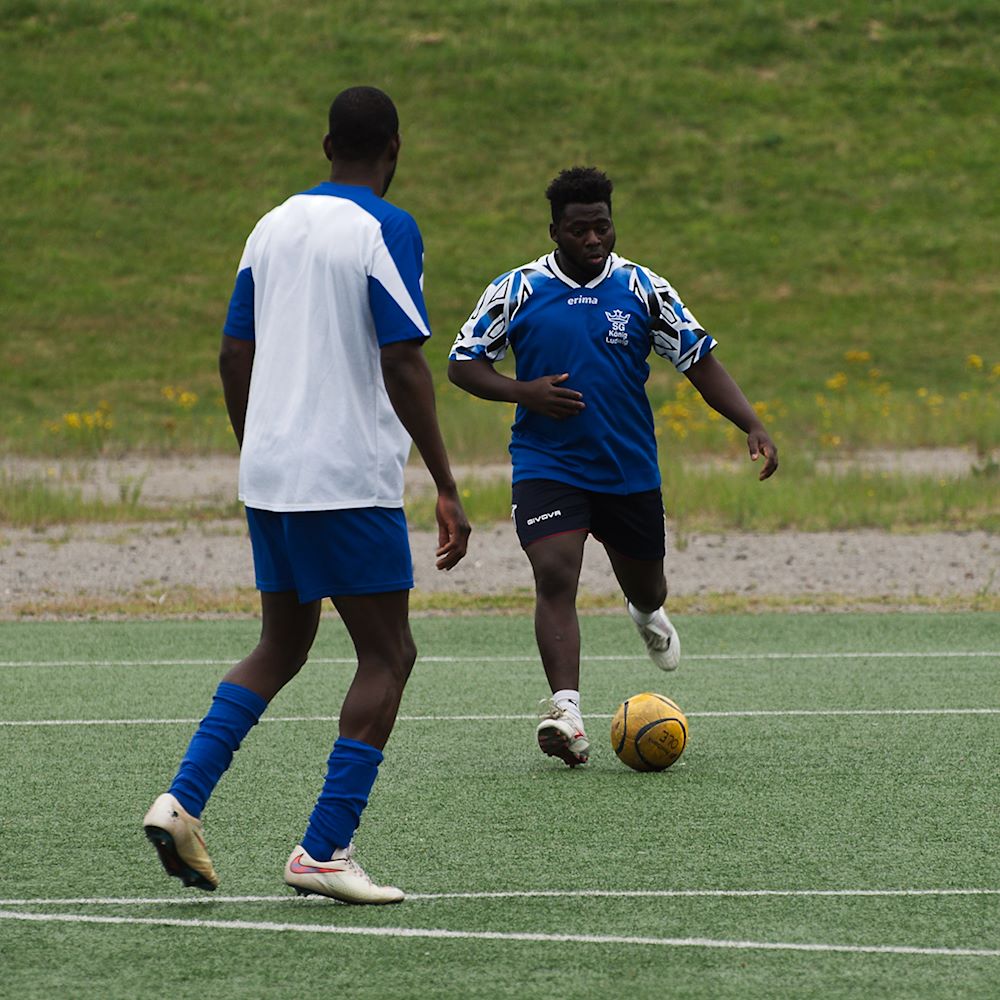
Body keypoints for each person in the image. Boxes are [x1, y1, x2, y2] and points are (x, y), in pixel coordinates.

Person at [143, 86, 470, 904]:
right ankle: (325, 848)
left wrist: (257, 447)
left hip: (272, 475)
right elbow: (402, 358)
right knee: (389, 654)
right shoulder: (387, 227)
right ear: (394, 150)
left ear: (326, 146)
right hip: (346, 478)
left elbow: (233, 352)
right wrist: (445, 482)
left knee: (281, 647)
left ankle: (181, 801)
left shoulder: (271, 225)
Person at [448, 166, 777, 768]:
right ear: (555, 231)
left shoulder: (644, 288)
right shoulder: (517, 290)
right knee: (555, 573)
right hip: (547, 463)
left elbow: (698, 360)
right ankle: (567, 714)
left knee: (648, 586)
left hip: (627, 468)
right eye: (579, 229)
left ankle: (645, 612)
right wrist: (524, 392)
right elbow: (463, 363)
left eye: (602, 226)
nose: (593, 239)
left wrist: (751, 423)